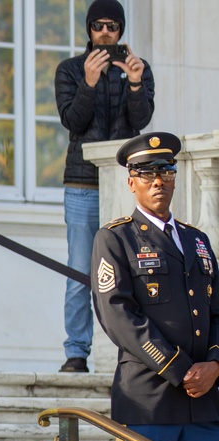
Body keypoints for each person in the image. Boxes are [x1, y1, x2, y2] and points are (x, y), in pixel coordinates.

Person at [91, 132, 219, 441]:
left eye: (165, 171)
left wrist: (213, 363)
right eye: (146, 173)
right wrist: (177, 367)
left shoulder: (199, 240)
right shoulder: (115, 238)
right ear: (130, 182)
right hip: (147, 398)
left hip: (203, 402)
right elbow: (117, 314)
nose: (158, 181)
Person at [55, 0, 154, 373]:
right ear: (88, 28)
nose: (106, 31)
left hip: (127, 184)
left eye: (113, 25)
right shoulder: (69, 69)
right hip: (82, 183)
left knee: (131, 271)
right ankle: (77, 352)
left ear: (121, 29)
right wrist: (89, 82)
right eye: (99, 24)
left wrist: (134, 83)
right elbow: (72, 121)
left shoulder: (138, 71)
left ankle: (131, 350)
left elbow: (141, 120)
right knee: (81, 271)